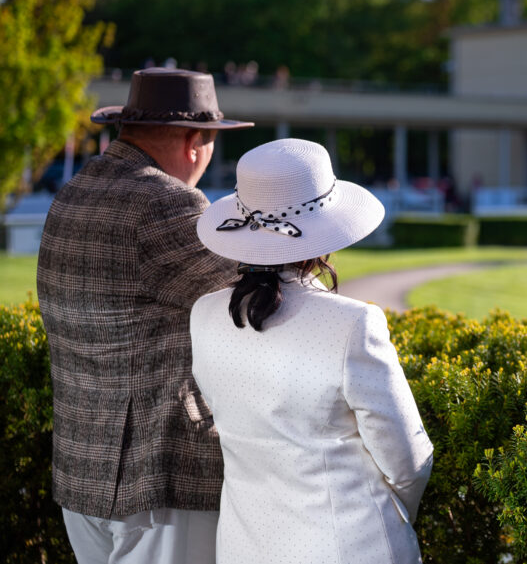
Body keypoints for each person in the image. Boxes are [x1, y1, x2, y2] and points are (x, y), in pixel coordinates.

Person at [36, 68, 254, 564]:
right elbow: (257, 296)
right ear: (195, 143)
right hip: (157, 480)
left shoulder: (73, 192)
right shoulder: (166, 202)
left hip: (81, 472)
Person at [190, 139, 433, 564]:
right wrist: (391, 517)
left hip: (244, 547)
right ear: (325, 234)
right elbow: (408, 461)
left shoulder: (204, 314)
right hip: (350, 546)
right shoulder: (353, 324)